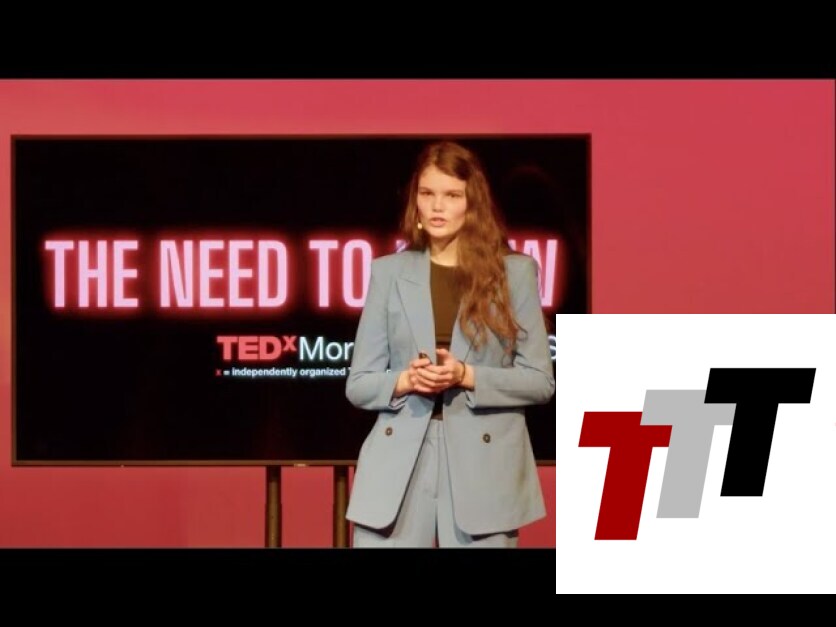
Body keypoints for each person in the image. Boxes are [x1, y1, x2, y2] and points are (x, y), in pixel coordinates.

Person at [345, 140, 555, 547]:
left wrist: (467, 375)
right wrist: (405, 381)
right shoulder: (388, 273)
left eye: (452, 195)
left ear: (471, 202)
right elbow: (359, 383)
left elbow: (539, 381)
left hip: (484, 463)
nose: (437, 206)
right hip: (400, 460)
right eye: (427, 193)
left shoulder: (514, 274)